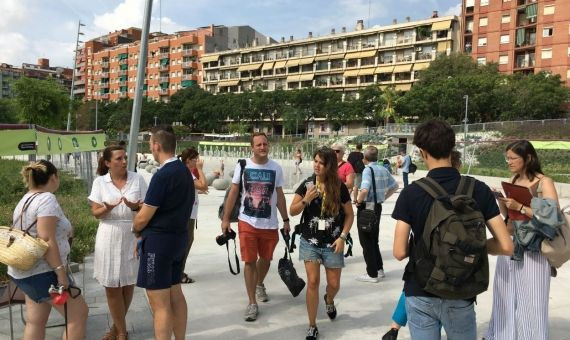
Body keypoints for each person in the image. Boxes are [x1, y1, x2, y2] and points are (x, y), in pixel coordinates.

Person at [392, 120, 513, 340]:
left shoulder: (411, 193)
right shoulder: (478, 189)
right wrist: (465, 246)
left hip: (421, 291)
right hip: (461, 290)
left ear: (422, 152)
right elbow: (506, 246)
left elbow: (399, 252)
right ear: (452, 147)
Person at [382, 149, 462, 340]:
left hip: (423, 270)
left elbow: (399, 252)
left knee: (414, 290)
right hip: (459, 273)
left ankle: (394, 327)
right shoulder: (472, 192)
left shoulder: (416, 192)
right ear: (456, 165)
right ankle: (394, 326)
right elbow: (503, 245)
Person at [486, 140, 559, 340]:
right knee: (505, 297)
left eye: (512, 158)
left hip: (534, 250)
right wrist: (503, 202)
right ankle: (502, 335)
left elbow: (552, 216)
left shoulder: (545, 182)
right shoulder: (514, 179)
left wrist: (519, 206)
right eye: (507, 158)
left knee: (533, 301)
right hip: (511, 246)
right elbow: (509, 215)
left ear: (528, 158)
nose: (508, 162)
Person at [9, 160, 88, 340]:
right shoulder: (46, 198)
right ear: (53, 177)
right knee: (78, 314)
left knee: (35, 321)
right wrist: (61, 274)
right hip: (44, 272)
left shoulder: (26, 199)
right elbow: (45, 238)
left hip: (25, 272)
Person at [132, 125, 195, 340]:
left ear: (157, 146)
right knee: (175, 293)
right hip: (178, 239)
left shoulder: (163, 175)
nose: (150, 148)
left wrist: (135, 228)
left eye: (150, 144)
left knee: (159, 304)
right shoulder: (184, 171)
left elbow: (143, 217)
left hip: (158, 245)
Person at [220, 132, 290, 322]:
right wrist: (226, 219)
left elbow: (280, 195)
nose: (262, 147)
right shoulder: (243, 165)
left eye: (265, 144)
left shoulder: (276, 168)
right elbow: (234, 192)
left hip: (269, 223)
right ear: (252, 147)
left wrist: (285, 220)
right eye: (258, 144)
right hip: (247, 221)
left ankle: (259, 283)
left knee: (266, 259)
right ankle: (252, 302)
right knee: (249, 261)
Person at [289, 147, 354, 340]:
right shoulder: (307, 184)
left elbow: (350, 215)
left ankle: (329, 299)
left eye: (321, 163)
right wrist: (306, 201)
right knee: (313, 282)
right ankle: (312, 325)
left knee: (334, 284)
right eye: (315, 161)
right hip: (310, 240)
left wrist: (342, 237)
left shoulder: (339, 187)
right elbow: (292, 211)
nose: (316, 165)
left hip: (333, 242)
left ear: (329, 166)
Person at [88, 145, 148, 340]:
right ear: (107, 163)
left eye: (125, 158)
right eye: (119, 159)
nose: (124, 162)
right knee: (112, 284)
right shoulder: (100, 182)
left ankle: (116, 327)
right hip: (109, 233)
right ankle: (122, 332)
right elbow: (96, 213)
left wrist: (134, 206)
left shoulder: (137, 179)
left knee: (128, 283)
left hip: (131, 232)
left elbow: (146, 208)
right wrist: (107, 208)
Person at [355, 146, 398, 283]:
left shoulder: (368, 170)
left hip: (367, 206)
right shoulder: (383, 169)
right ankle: (379, 269)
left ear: (364, 158)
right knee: (374, 239)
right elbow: (395, 186)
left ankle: (372, 273)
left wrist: (357, 201)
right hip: (377, 207)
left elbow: (364, 189)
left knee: (365, 240)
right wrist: (384, 198)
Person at [178, 147, 208, 283]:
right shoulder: (188, 173)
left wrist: (197, 192)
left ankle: (178, 271)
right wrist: (200, 169)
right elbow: (203, 185)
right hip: (187, 214)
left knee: (186, 242)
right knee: (186, 242)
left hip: (188, 213)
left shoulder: (183, 172)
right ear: (189, 160)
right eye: (195, 159)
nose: (197, 161)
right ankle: (178, 273)